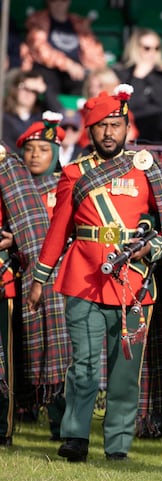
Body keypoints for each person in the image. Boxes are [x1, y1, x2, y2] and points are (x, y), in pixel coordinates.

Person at [26, 85, 162, 462]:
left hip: (135, 283)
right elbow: (58, 230)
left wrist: (150, 249)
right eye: (102, 126)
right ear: (90, 130)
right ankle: (75, 436)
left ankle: (118, 444)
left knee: (126, 372)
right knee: (85, 365)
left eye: (116, 125)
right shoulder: (74, 172)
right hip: (83, 278)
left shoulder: (146, 169)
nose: (110, 132)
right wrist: (40, 278)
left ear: (127, 127)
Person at [17, 113, 73, 440]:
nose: (35, 155)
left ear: (55, 152)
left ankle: (61, 423)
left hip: (61, 280)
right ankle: (24, 408)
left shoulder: (67, 184)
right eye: (29, 149)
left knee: (59, 354)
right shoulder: (14, 190)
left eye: (42, 148)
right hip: (23, 278)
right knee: (29, 351)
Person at [0, 141, 52, 447]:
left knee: (3, 360)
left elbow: (27, 226)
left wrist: (11, 238)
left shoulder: (7, 162)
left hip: (2, 277)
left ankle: (2, 429)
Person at [115, 28, 162, 143]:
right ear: (135, 49)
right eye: (147, 48)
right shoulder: (123, 73)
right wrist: (137, 78)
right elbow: (126, 107)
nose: (152, 53)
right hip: (137, 124)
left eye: (157, 48)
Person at [21, 0, 106, 96]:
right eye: (54, 0)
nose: (59, 3)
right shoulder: (38, 21)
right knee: (45, 81)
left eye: (63, 0)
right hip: (48, 67)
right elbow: (39, 49)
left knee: (89, 82)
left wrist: (99, 71)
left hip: (76, 69)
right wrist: (68, 65)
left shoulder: (78, 23)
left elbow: (93, 50)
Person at [2, 70, 61, 153]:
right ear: (16, 89)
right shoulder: (4, 117)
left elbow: (59, 114)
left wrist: (44, 90)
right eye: (25, 88)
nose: (28, 93)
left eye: (34, 91)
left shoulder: (41, 118)